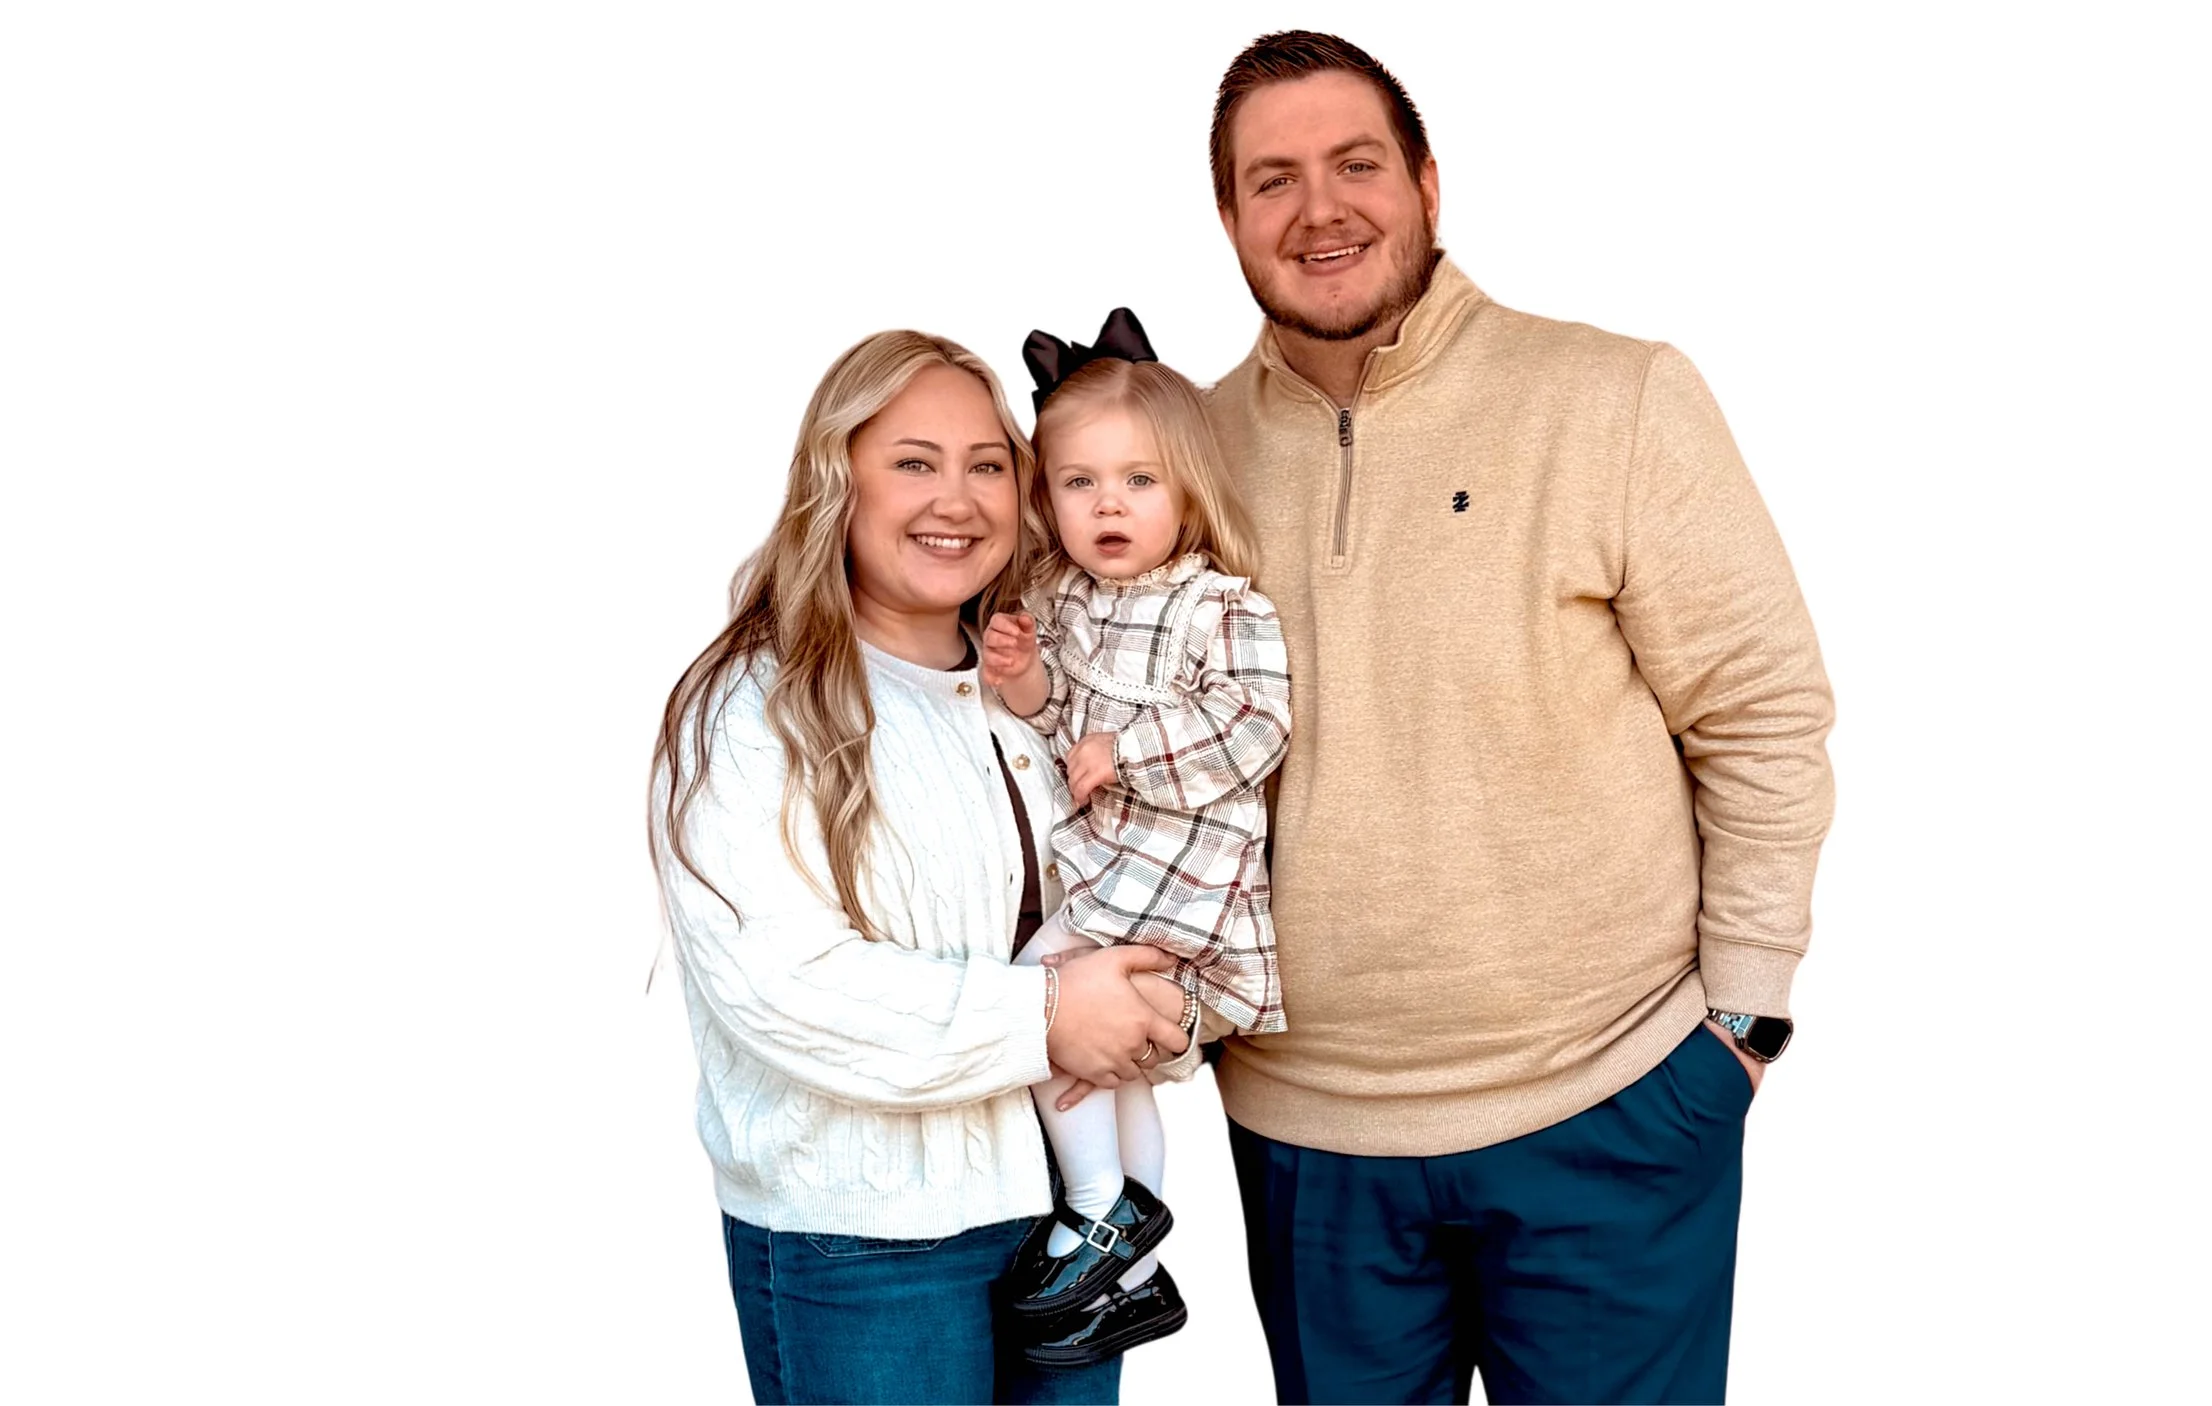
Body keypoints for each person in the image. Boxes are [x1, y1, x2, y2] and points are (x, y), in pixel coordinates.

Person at [1188, 30, 1840, 1405]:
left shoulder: (1611, 396)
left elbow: (1761, 710)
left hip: (1612, 1102)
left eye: (1357, 164)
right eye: (1273, 180)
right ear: (1229, 217)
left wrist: (1743, 1020)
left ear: (1428, 183)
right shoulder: (1175, 457)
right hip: (1309, 1131)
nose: (1319, 209)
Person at [647, 329, 1196, 1405]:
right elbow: (784, 986)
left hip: (1071, 1224)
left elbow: (1137, 878)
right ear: (836, 481)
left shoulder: (1038, 690)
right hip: (871, 1243)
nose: (957, 498)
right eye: (913, 461)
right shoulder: (754, 708)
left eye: (986, 463)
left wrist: (1162, 1006)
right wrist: (1049, 1017)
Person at [979, 310, 1291, 1367]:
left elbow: (1255, 725)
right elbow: (1056, 727)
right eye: (1079, 482)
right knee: (1112, 1069)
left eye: (1139, 481)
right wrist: (1025, 676)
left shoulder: (1222, 608)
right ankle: (1131, 1265)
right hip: (1111, 870)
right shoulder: (1067, 600)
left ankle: (1097, 1208)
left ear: (1190, 491)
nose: (1107, 504)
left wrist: (1128, 750)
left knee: (1039, 998)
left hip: (1180, 873)